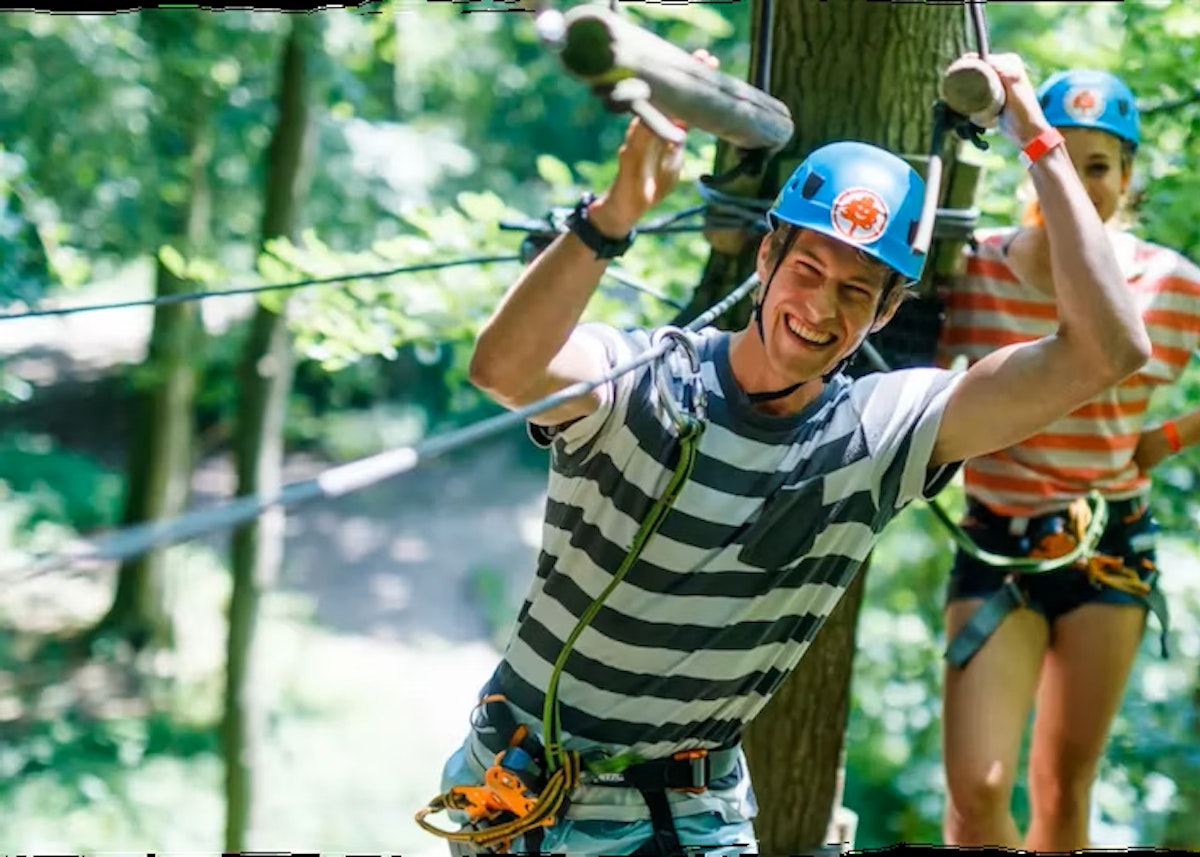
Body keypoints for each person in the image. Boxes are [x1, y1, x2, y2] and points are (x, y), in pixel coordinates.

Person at [417, 53, 1151, 857]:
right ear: (766, 260)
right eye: (808, 269)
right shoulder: (644, 376)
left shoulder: (881, 431)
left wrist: (1039, 142)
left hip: (688, 821)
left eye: (855, 290)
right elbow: (504, 369)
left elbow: (1106, 351)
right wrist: (615, 214)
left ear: (885, 311)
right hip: (516, 790)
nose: (820, 306)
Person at [936, 67, 1200, 851]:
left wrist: (1168, 438)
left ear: (1127, 178)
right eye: (1064, 160)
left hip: (1110, 547)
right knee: (978, 790)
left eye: (1100, 167)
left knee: (1063, 784)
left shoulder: (1171, 285)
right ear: (1032, 162)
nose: (1083, 185)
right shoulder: (974, 269)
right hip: (998, 546)